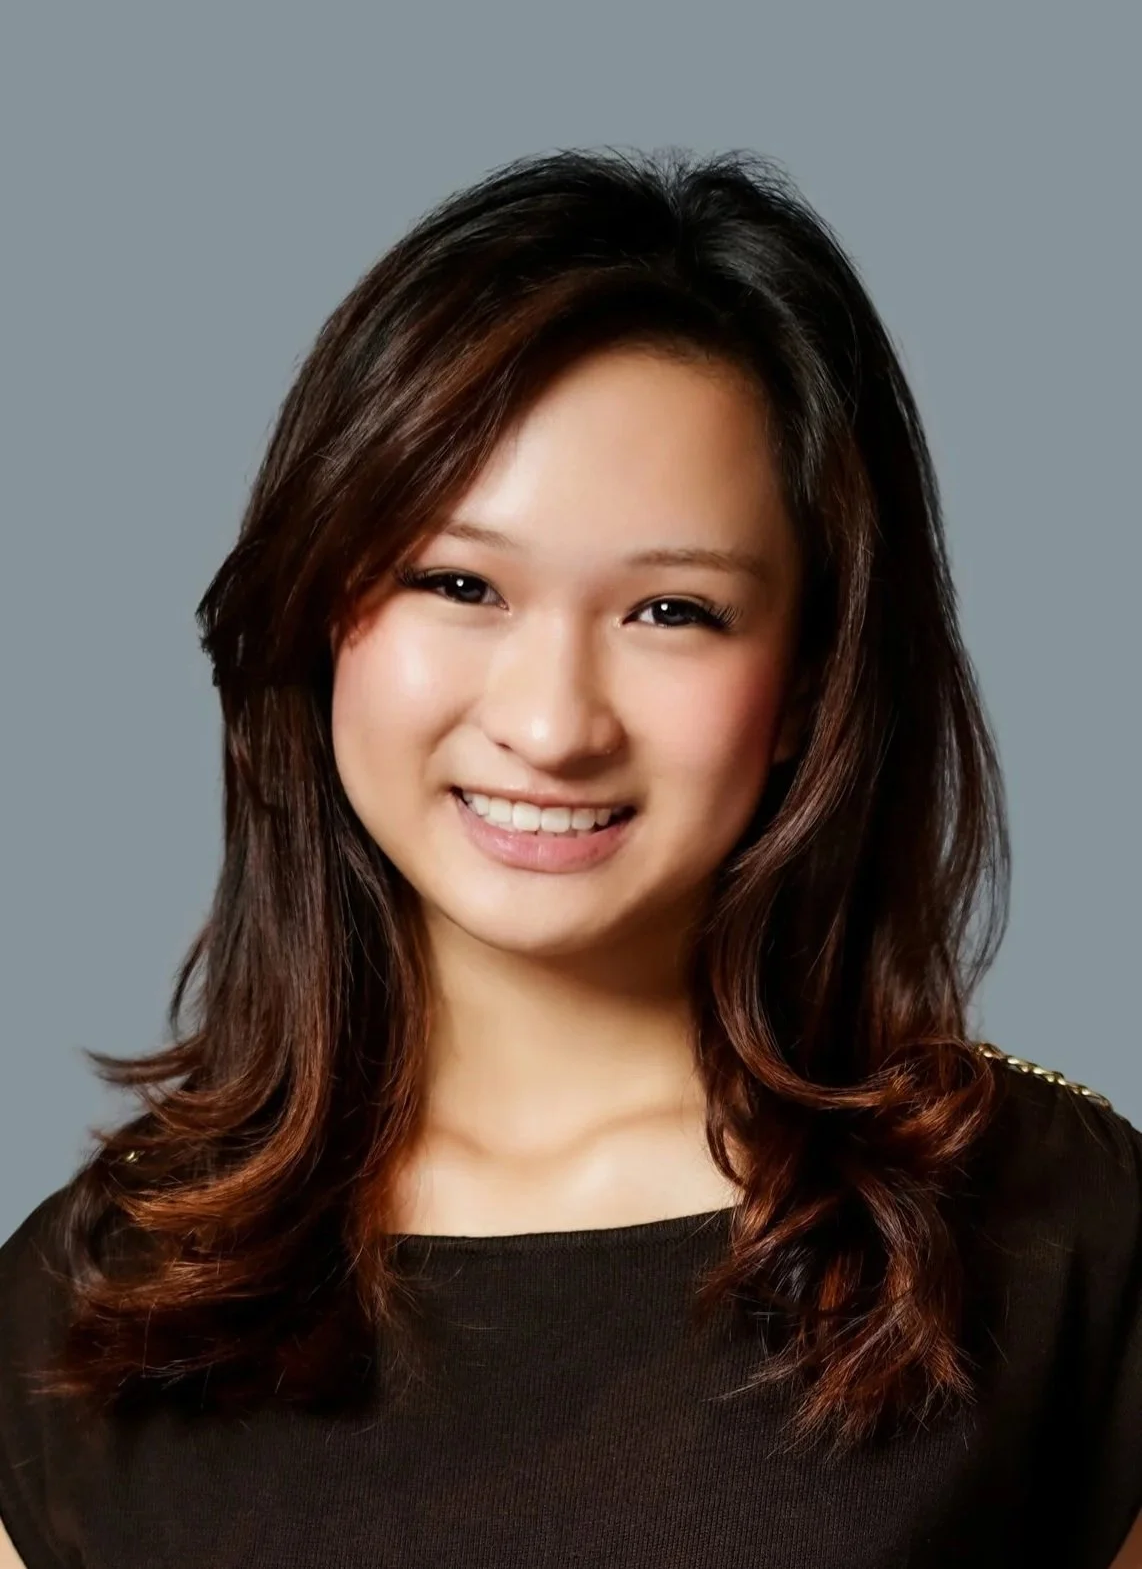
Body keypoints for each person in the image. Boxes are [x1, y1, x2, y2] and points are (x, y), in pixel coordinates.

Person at [0, 146, 1139, 1569]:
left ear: (808, 681)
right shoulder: (82, 1306)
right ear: (317, 613)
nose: (550, 725)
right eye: (458, 583)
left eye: (672, 611)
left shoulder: (1056, 1237)